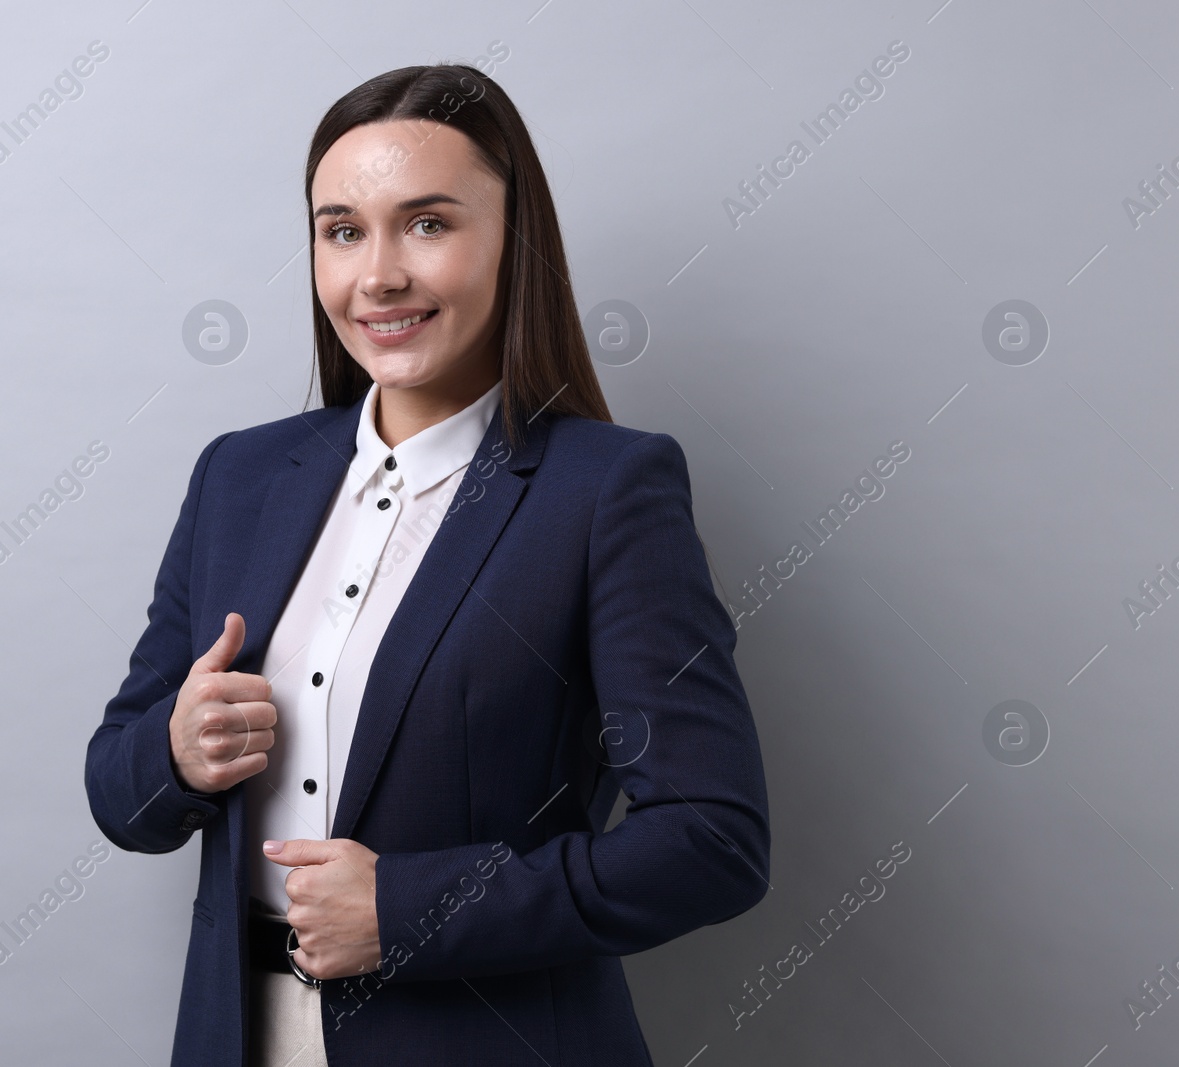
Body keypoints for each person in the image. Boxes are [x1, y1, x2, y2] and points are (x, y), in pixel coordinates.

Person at [84, 62, 771, 1067]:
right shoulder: (238, 477)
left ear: (512, 240)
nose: (378, 276)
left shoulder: (607, 491)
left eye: (429, 223)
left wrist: (409, 907)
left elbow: (714, 839)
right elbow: (120, 791)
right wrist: (179, 751)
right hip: (238, 1036)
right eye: (342, 230)